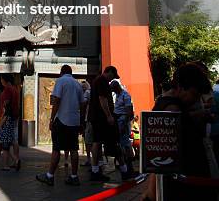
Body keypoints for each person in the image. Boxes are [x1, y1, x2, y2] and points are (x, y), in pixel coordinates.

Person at [141, 62, 214, 201]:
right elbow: (161, 155)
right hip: (183, 186)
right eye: (193, 94)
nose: (195, 99)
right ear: (180, 88)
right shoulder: (171, 110)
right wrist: (151, 193)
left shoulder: (171, 105)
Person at [36, 64, 85, 187]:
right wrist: (81, 121)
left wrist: (52, 119)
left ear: (61, 72)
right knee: (74, 148)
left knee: (56, 148)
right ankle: (74, 176)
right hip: (74, 121)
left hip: (62, 119)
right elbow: (83, 104)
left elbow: (56, 100)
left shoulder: (61, 81)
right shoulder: (77, 84)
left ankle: (50, 176)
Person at [87, 65, 128, 182]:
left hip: (98, 117)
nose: (112, 79)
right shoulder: (102, 80)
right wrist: (109, 115)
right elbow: (102, 98)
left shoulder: (97, 80)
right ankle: (124, 170)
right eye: (112, 76)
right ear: (108, 72)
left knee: (97, 142)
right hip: (102, 118)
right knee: (111, 141)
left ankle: (95, 170)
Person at [0, 74, 20, 170]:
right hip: (13, 118)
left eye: (1, 79)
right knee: (9, 140)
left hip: (6, 119)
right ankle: (12, 160)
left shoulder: (7, 90)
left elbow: (6, 108)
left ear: (4, 80)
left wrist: (1, 122)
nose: (1, 81)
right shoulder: (15, 89)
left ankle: (8, 163)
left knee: (4, 142)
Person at [110, 79, 135, 173]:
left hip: (123, 121)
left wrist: (125, 124)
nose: (113, 91)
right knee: (121, 144)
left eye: (113, 89)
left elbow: (129, 111)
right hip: (118, 121)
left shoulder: (125, 95)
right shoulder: (118, 95)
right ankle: (123, 164)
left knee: (126, 144)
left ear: (116, 87)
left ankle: (129, 166)